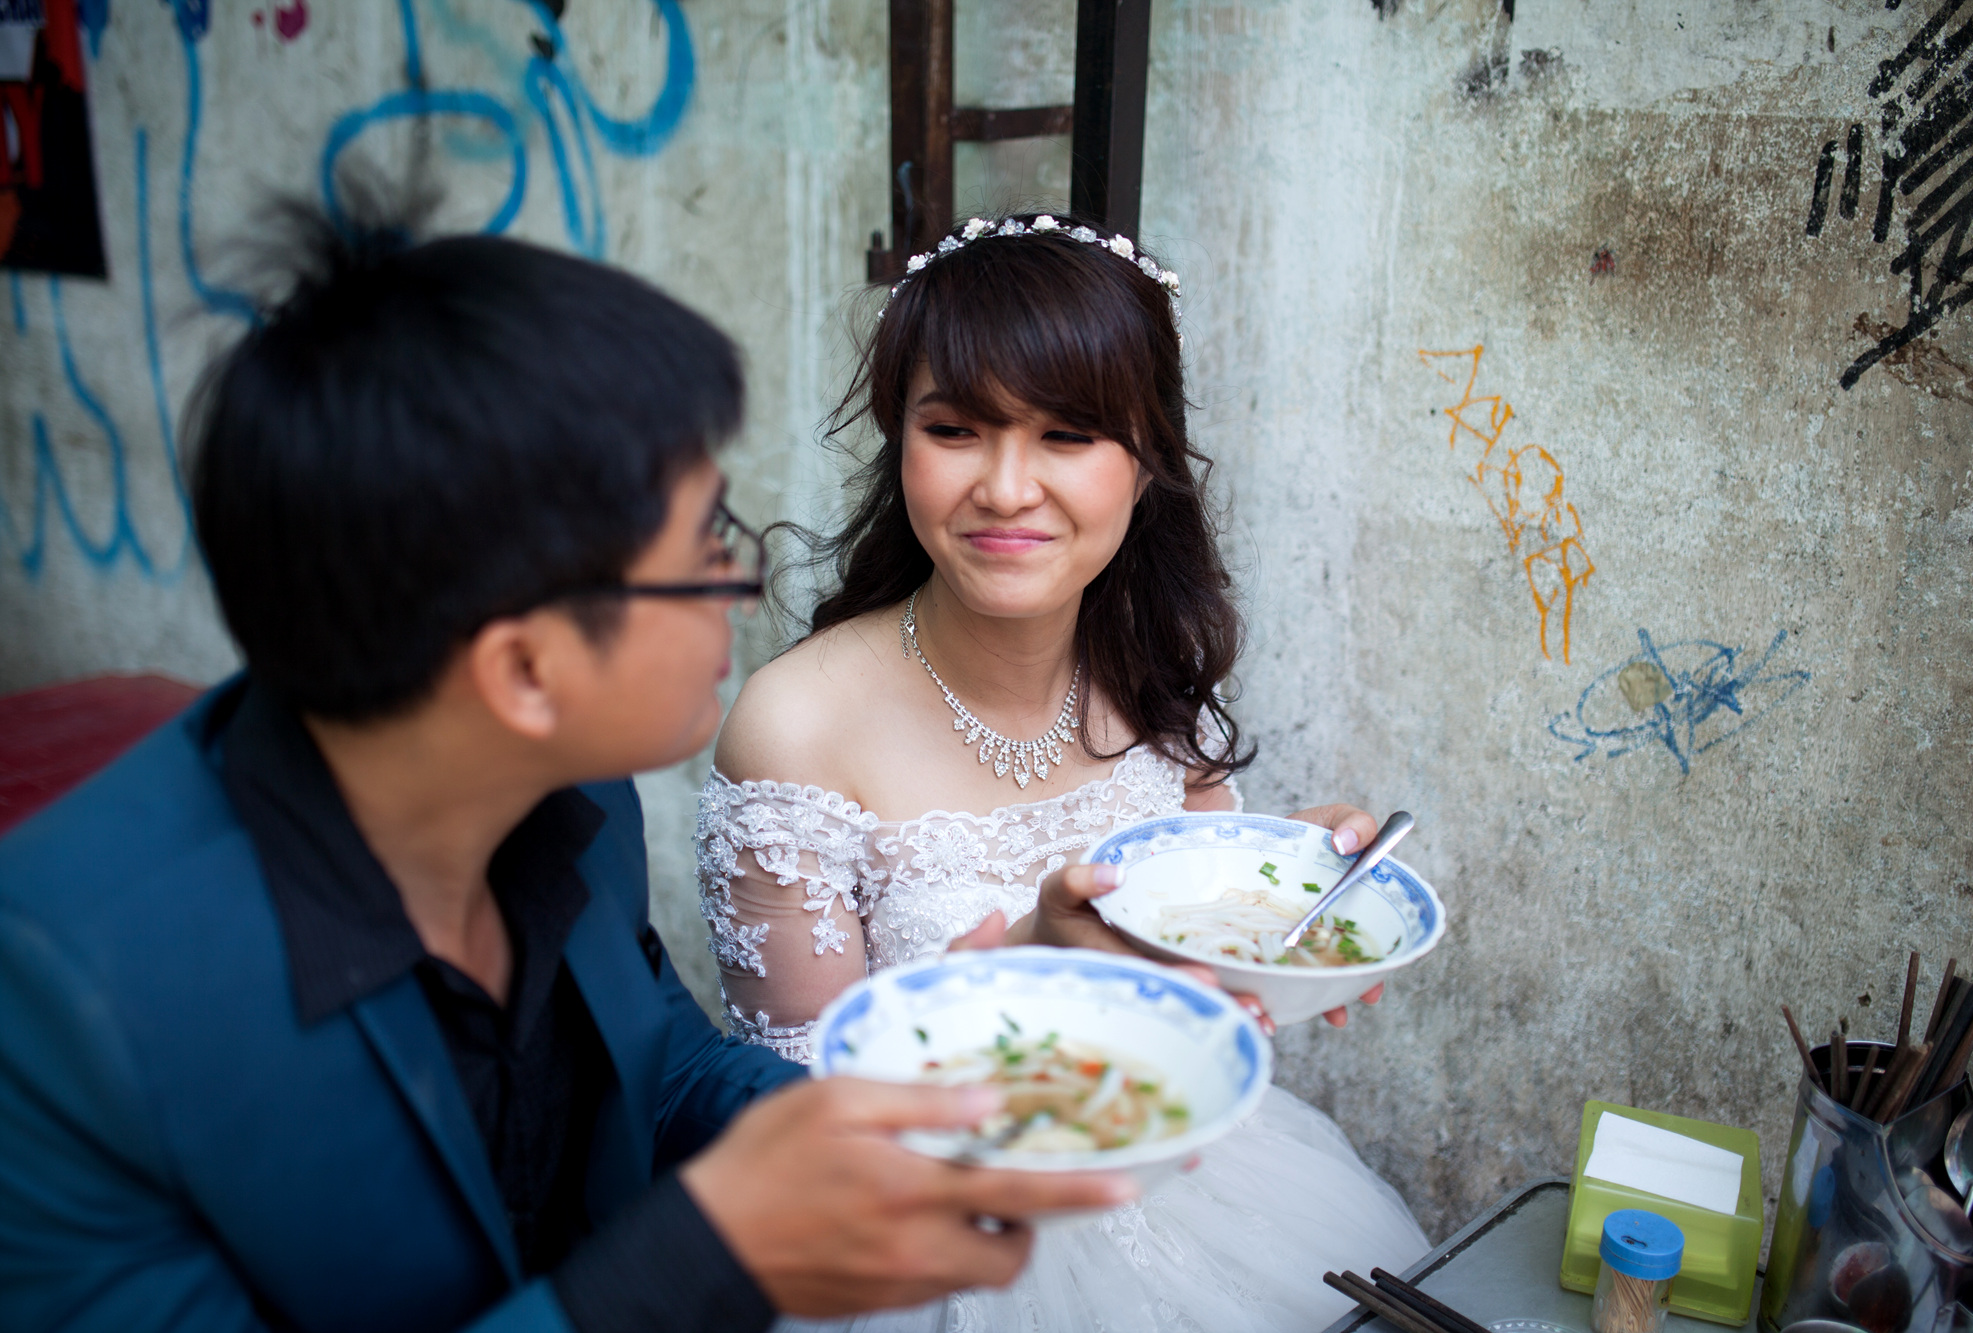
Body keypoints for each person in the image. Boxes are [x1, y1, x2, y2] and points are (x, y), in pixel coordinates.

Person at [0, 206, 1135, 1333]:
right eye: (705, 551)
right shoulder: (60, 1012)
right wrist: (704, 1258)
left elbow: (659, 1068)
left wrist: (917, 1083)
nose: (741, 591)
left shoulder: (569, 792)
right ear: (525, 671)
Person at [698, 212, 1432, 1332]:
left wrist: (1284, 899)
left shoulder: (1150, 671)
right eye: (955, 429)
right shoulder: (795, 729)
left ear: (1145, 462)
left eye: (1068, 434)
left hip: (1205, 1197)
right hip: (927, 1255)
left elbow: (1187, 954)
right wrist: (1028, 967)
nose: (1005, 487)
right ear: (900, 441)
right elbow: (801, 1122)